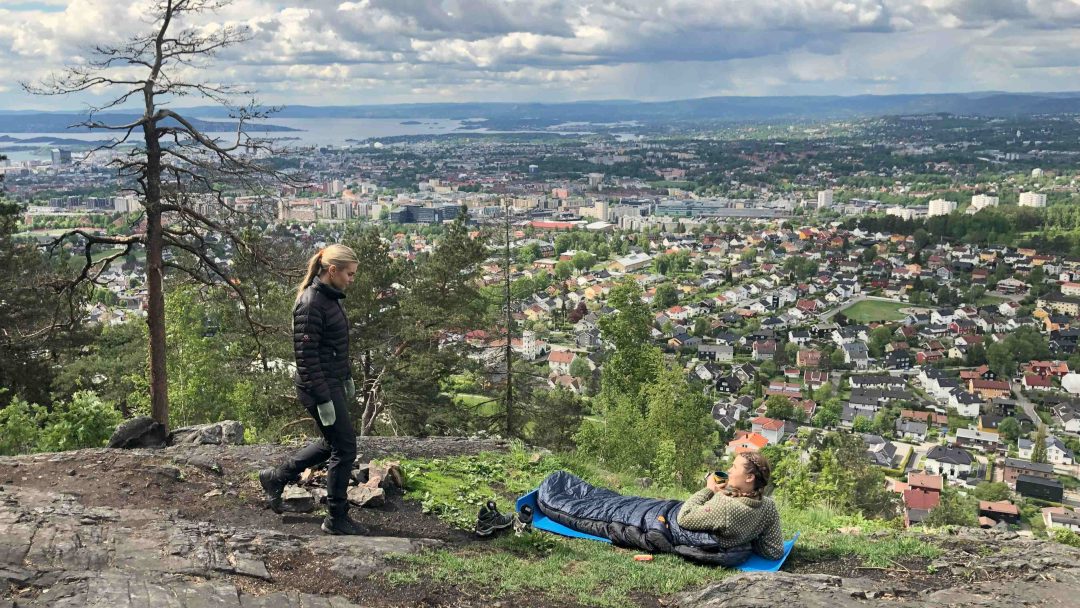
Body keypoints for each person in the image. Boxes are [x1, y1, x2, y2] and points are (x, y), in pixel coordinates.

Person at [259, 244, 366, 535]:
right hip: (317, 386)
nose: (351, 280)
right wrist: (323, 398)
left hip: (330, 382)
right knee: (345, 448)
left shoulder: (330, 299)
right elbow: (306, 358)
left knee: (335, 443)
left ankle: (276, 476)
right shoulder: (311, 303)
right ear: (332, 270)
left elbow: (332, 348)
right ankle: (336, 518)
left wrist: (346, 376)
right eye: (349, 274)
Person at [676, 451, 784, 560]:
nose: (729, 470)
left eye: (734, 467)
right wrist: (748, 536)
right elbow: (774, 551)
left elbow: (684, 516)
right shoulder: (768, 505)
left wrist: (709, 490)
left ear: (750, 477)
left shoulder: (725, 505)